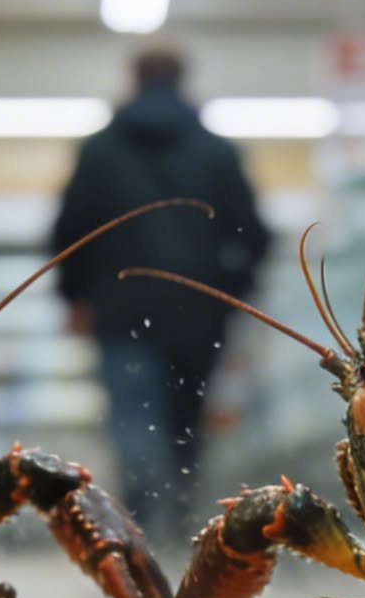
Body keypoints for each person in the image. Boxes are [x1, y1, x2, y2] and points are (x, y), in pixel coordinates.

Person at [51, 47, 272, 545]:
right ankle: (181, 518)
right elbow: (255, 235)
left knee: (131, 415)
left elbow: (69, 230)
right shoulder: (216, 152)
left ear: (132, 78)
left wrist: (75, 297)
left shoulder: (100, 151)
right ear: (184, 79)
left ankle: (141, 520)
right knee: (185, 418)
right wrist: (232, 290)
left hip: (119, 308)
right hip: (200, 312)